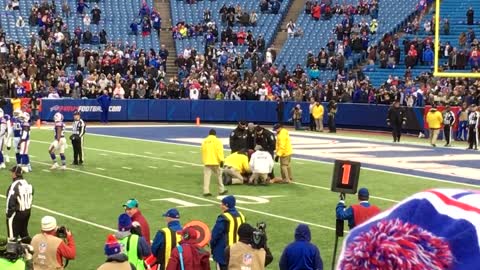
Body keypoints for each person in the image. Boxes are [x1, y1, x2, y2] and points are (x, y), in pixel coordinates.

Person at [337, 189, 480, 269]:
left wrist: (341, 203)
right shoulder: (376, 209)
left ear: (358, 196)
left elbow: (341, 214)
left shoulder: (358, 221)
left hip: (369, 238)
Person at [211, 195, 245, 270]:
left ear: (226, 205)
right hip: (238, 251)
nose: (220, 206)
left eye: (222, 204)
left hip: (224, 252)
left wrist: (212, 246)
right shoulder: (241, 215)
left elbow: (215, 235)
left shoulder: (224, 217)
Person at [6, 165, 33, 242]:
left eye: (12, 172)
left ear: (15, 173)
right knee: (24, 233)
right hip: (27, 212)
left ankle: (12, 252)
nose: (11, 174)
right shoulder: (28, 184)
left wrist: (9, 214)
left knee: (12, 237)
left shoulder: (14, 185)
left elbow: (11, 200)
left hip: (17, 213)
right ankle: (29, 250)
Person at [201, 129, 227, 197]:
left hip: (207, 161)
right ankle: (221, 190)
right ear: (215, 134)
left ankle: (206, 191)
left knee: (206, 177)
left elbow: (203, 151)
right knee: (219, 176)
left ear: (209, 134)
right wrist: (221, 160)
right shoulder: (217, 141)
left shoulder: (205, 141)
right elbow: (219, 152)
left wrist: (204, 160)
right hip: (215, 162)